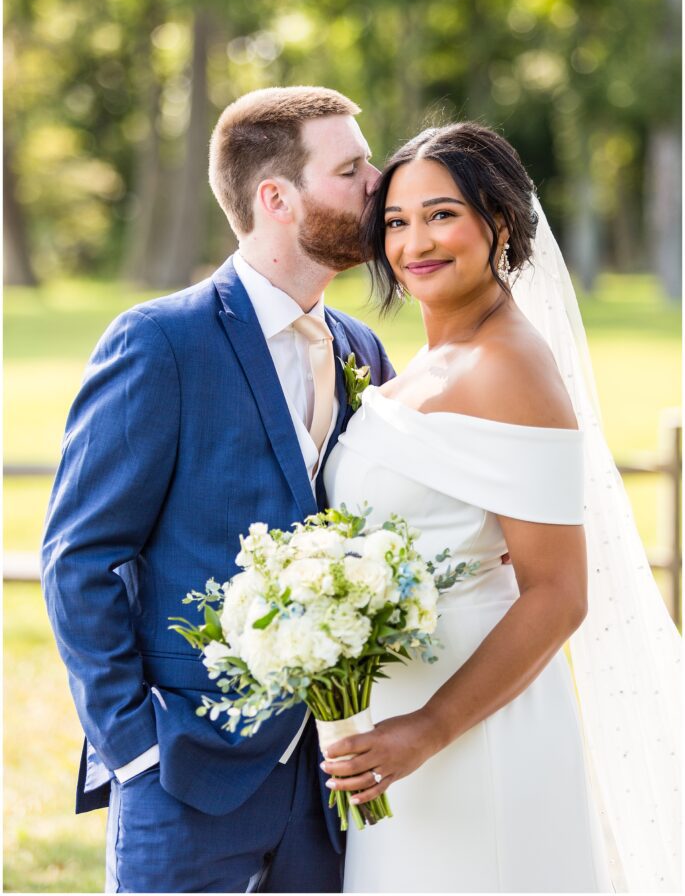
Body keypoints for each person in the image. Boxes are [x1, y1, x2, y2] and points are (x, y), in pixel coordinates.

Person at [41, 85, 394, 894]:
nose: (377, 182)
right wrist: (136, 749)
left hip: (330, 781)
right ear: (277, 198)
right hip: (185, 771)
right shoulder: (160, 342)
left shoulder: (361, 347)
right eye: (350, 169)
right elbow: (79, 558)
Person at [321, 122, 681, 893]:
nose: (415, 240)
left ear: (500, 224)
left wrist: (429, 729)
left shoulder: (508, 365)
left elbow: (557, 593)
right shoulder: (423, 361)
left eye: (442, 214)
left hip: (471, 727)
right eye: (396, 220)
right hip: (394, 729)